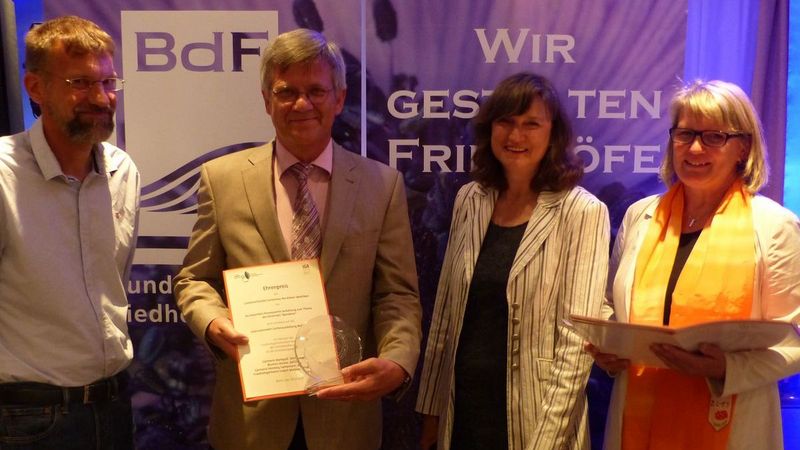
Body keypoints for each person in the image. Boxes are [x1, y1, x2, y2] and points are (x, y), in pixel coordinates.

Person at [173, 28, 422, 450]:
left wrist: (398, 360)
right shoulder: (222, 179)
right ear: (266, 100)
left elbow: (397, 294)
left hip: (345, 420)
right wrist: (213, 322)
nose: (301, 104)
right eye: (286, 92)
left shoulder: (382, 186)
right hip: (251, 422)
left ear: (339, 98)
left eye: (316, 91)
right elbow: (194, 280)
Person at [587, 80, 800, 450]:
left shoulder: (775, 226)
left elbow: (793, 341)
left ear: (743, 147)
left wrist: (724, 369)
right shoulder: (640, 215)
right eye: (685, 134)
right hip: (636, 415)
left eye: (714, 136)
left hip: (728, 421)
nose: (695, 148)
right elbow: (610, 304)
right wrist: (611, 345)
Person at [415, 72, 610, 450]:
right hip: (464, 413)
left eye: (531, 124)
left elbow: (577, 340)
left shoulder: (582, 212)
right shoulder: (470, 199)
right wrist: (432, 413)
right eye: (505, 122)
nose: (516, 135)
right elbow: (446, 314)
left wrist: (546, 441)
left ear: (553, 134)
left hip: (539, 419)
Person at [0, 15, 139, 450]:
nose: (100, 97)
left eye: (108, 82)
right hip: (29, 419)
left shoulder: (123, 171)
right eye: (80, 82)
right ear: (35, 87)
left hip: (113, 406)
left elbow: (114, 281)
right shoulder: (3, 174)